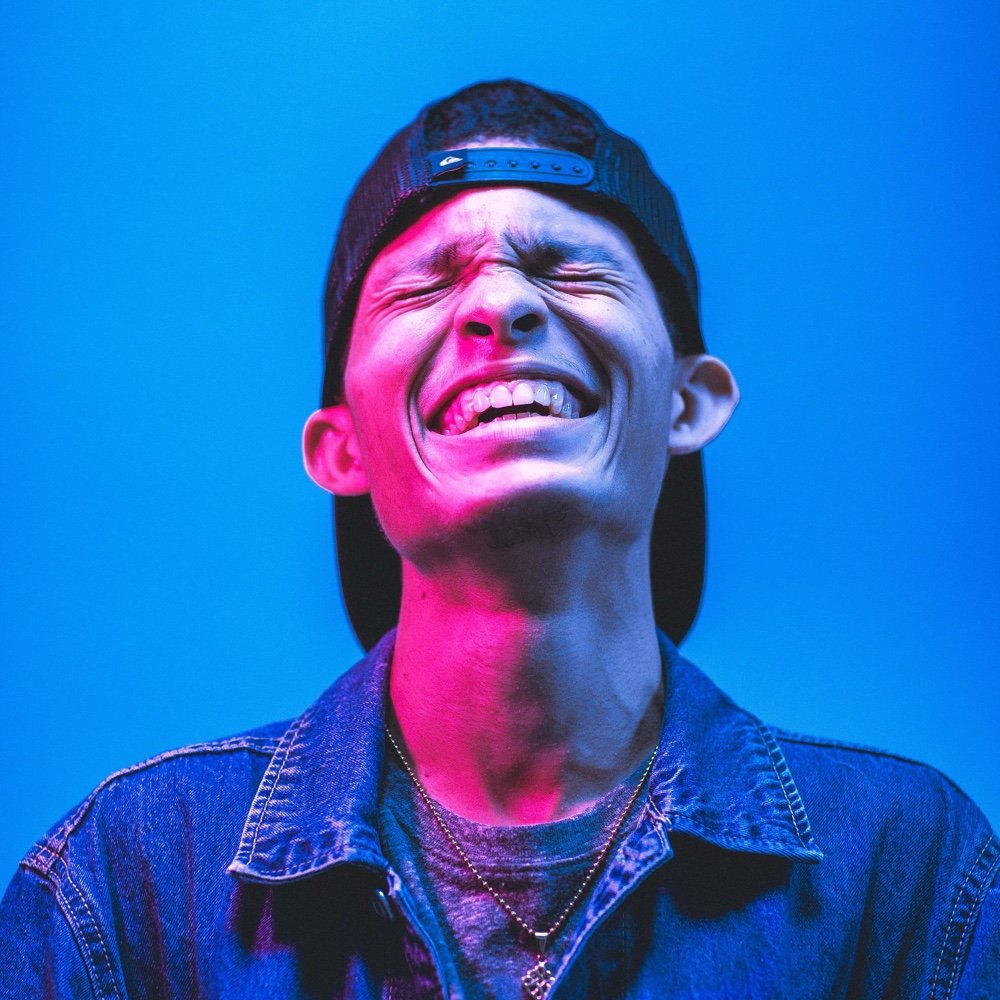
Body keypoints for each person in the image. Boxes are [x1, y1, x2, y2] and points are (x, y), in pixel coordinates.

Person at [1, 79, 996, 1000]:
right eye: (421, 287)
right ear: (342, 447)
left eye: (570, 268)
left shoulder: (911, 877)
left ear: (689, 402)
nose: (500, 303)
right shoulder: (124, 891)